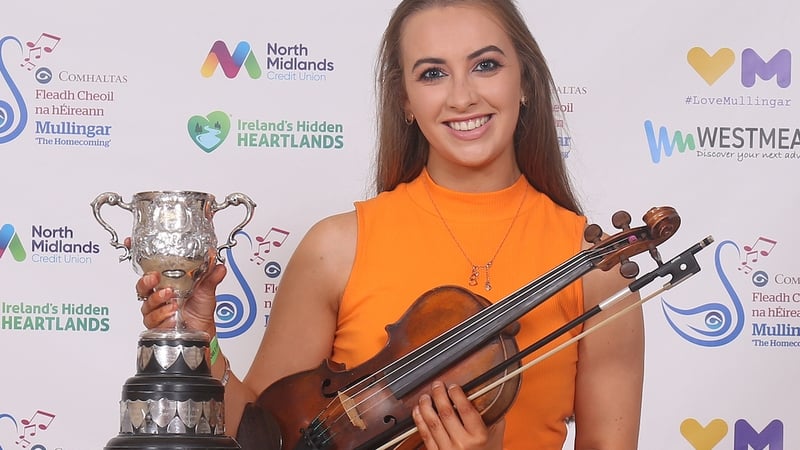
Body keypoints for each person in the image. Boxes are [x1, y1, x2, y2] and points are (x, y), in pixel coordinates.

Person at [137, 1, 644, 448]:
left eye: (485, 65)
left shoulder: (594, 266)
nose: (462, 97)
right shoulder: (337, 248)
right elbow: (261, 432)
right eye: (432, 74)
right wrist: (200, 342)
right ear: (404, 100)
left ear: (526, 83)